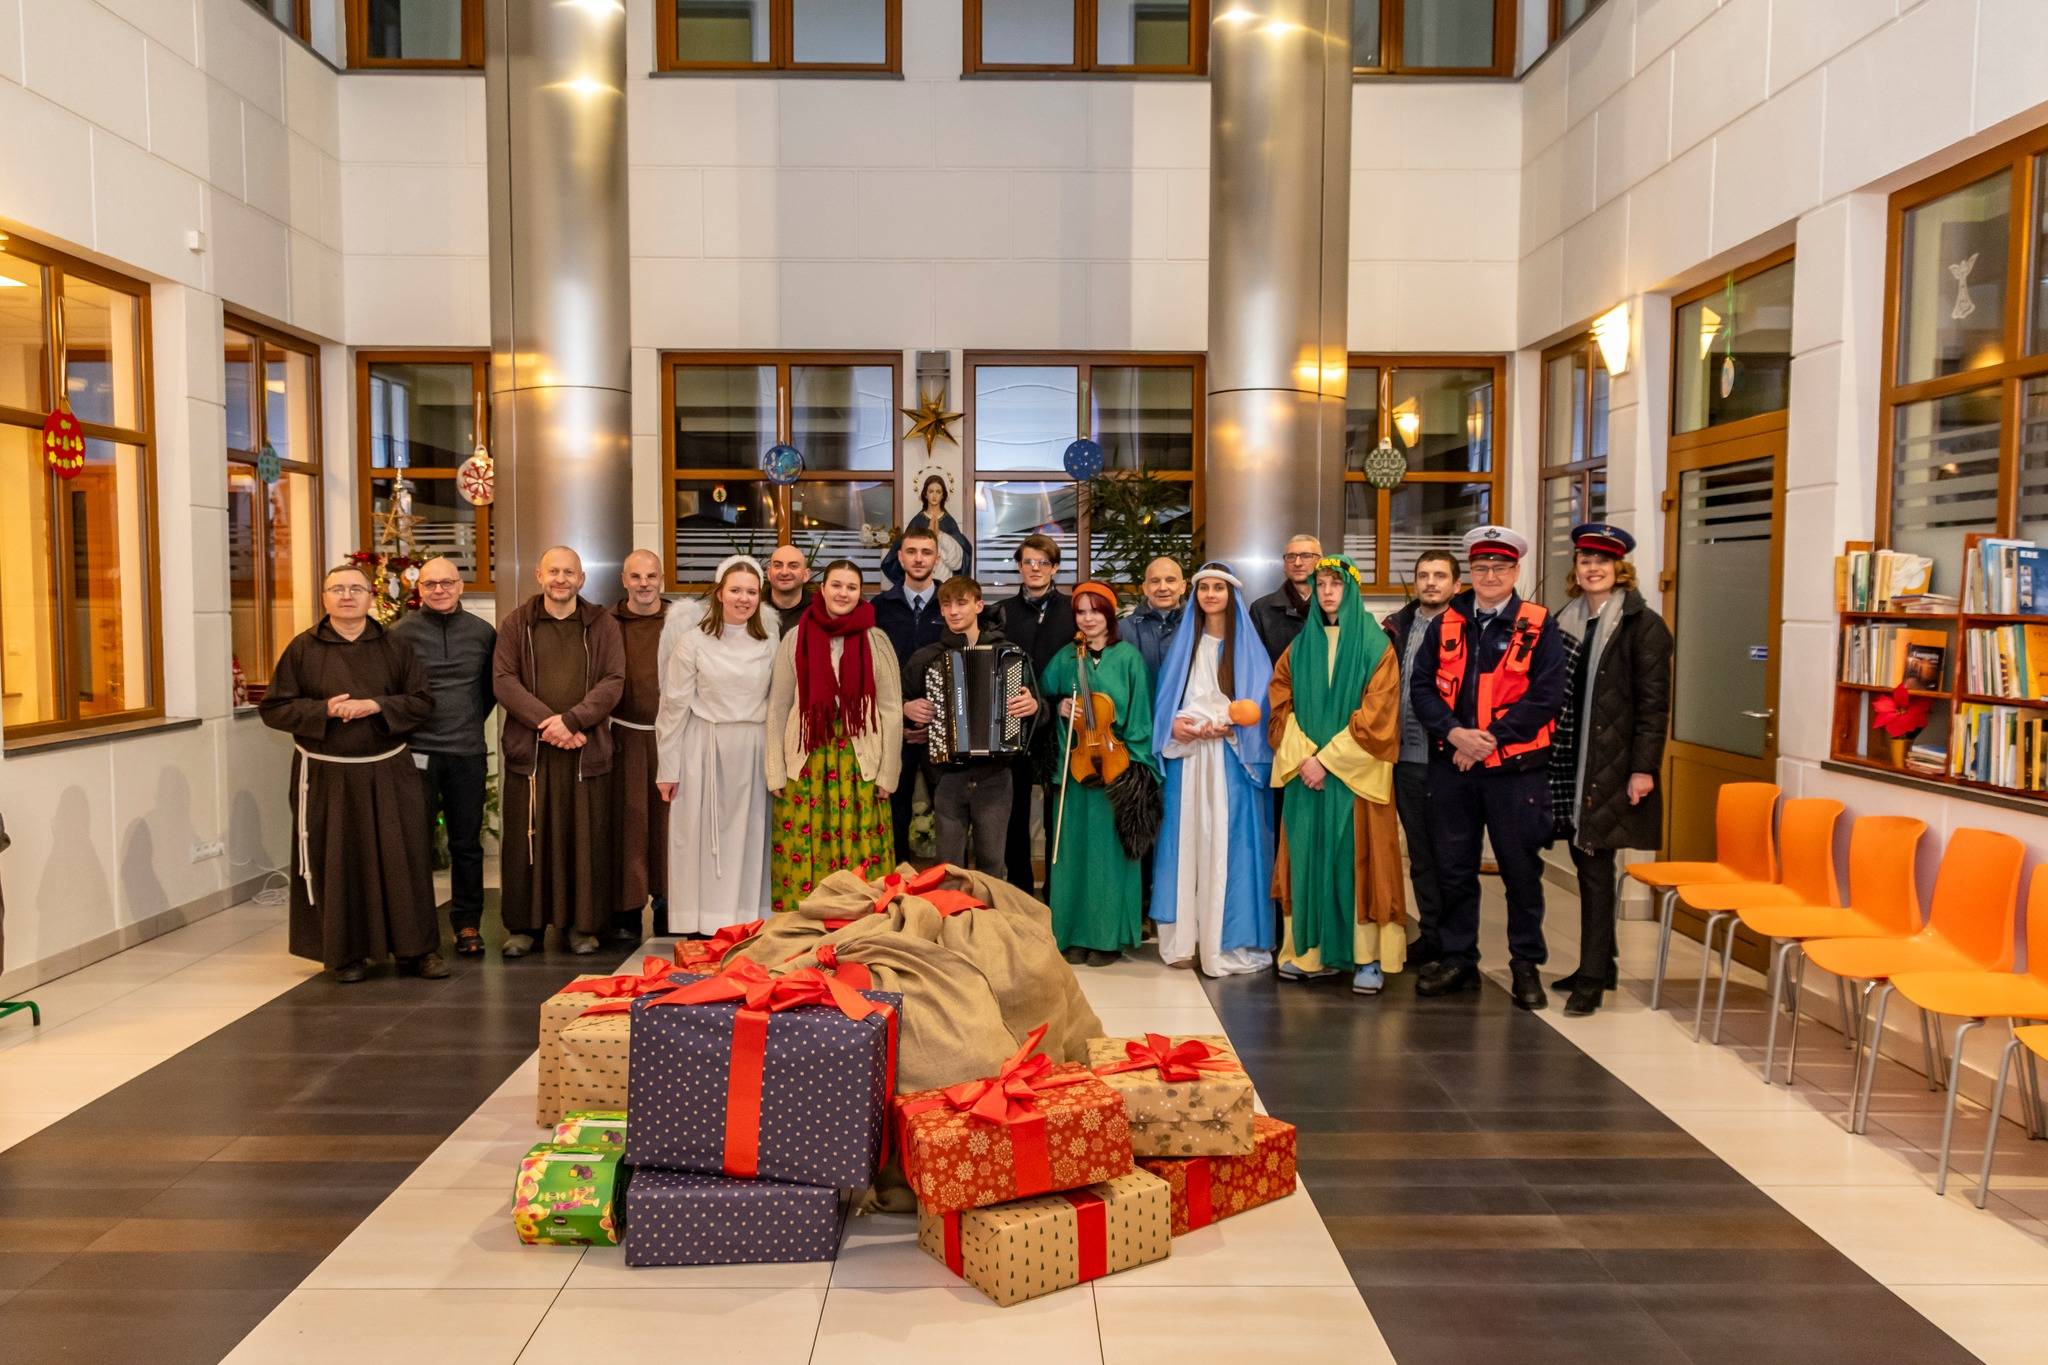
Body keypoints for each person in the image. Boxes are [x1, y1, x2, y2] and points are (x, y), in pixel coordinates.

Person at [260, 564, 447, 983]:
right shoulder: (302, 649)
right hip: (327, 776)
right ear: (324, 597)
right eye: (338, 589)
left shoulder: (395, 646)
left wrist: (376, 705)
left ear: (370, 597)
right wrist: (323, 710)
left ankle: (417, 951)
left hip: (389, 772)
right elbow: (274, 709)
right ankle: (346, 954)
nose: (347, 596)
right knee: (338, 861)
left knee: (403, 860)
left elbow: (422, 701)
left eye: (356, 589)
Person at [1411, 526, 1566, 1010]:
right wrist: (1455, 733)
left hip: (1516, 773)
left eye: (1500, 567)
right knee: (1454, 868)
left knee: (1520, 872)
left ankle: (1525, 965)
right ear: (1470, 575)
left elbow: (1546, 695)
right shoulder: (1446, 623)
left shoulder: (1538, 624)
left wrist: (1487, 740)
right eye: (1481, 568)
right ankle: (1459, 959)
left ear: (1516, 571)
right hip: (1453, 769)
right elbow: (1421, 689)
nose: (1491, 576)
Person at [1547, 524, 1671, 1016]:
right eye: (1585, 560)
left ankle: (1593, 978)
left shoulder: (1643, 626)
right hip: (1572, 761)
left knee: (1595, 866)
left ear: (1620, 568)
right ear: (1576, 569)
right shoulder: (1566, 619)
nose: (1593, 568)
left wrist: (1643, 769)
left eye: (1602, 560)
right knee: (1587, 863)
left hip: (1613, 766)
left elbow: (1654, 706)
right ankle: (1604, 964)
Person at [1269, 555, 1406, 994]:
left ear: (1352, 589)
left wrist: (1327, 761)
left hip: (1354, 777)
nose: (1327, 592)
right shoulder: (1299, 647)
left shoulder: (1375, 646)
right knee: (1307, 857)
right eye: (1321, 584)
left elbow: (1379, 713)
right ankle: (1308, 953)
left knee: (1359, 860)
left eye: (1336, 584)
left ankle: (1367, 956)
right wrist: (1306, 759)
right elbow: (1280, 703)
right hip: (1306, 776)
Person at [493, 546, 626, 957]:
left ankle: (581, 926)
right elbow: (504, 680)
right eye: (554, 571)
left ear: (581, 579)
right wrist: (550, 724)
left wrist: (573, 721)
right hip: (532, 754)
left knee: (582, 841)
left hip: (585, 753)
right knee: (528, 842)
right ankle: (525, 928)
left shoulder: (601, 624)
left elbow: (613, 680)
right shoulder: (517, 623)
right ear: (539, 575)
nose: (561, 579)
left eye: (569, 572)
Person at [1149, 563, 1276, 977]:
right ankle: (1185, 938)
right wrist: (1175, 726)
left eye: (1219, 588)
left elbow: (1261, 706)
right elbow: (1165, 704)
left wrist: (1230, 726)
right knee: (1185, 843)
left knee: (1229, 844)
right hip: (1189, 761)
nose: (1210, 595)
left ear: (1230, 594)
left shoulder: (1249, 649)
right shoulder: (1184, 647)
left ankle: (1229, 940)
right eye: (1204, 588)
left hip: (1231, 761)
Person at [766, 559, 903, 910]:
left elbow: (891, 711)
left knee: (862, 857)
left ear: (860, 593)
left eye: (851, 587)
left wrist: (888, 773)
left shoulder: (876, 640)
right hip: (808, 760)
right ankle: (805, 924)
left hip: (861, 763)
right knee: (805, 849)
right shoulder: (796, 638)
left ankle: (860, 923)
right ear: (822, 589)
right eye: (837, 585)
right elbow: (778, 707)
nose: (843, 593)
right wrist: (775, 770)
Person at [657, 555, 779, 934]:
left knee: (748, 838)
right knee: (700, 841)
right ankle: (702, 923)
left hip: (753, 749)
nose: (744, 598)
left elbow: (778, 703)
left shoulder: (770, 641)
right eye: (736, 590)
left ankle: (746, 920)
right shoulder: (692, 642)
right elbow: (673, 707)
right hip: (704, 749)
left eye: (751, 592)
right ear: (720, 593)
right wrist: (668, 768)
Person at [1042, 581, 1158, 966]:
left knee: (1109, 859)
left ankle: (1108, 938)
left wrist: (1131, 766)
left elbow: (1141, 717)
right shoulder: (1066, 657)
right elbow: (1042, 698)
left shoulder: (1128, 658)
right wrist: (1059, 707)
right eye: (1081, 611)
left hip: (1116, 769)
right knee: (1071, 855)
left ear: (1109, 615)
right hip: (1076, 771)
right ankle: (1072, 934)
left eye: (1095, 610)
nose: (1088, 618)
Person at [390, 557, 496, 958]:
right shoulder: (400, 634)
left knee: (466, 844)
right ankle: (415, 928)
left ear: (460, 586)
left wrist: (466, 721)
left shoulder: (482, 633)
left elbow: (489, 691)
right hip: (416, 755)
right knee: (414, 844)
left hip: (467, 752)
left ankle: (467, 924)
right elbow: (394, 692)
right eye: (430, 584)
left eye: (446, 583)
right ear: (419, 589)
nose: (439, 590)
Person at [902, 576, 1042, 878]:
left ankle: (988, 911)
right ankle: (952, 910)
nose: (954, 611)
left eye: (961, 603)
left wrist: (1033, 706)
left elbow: (1038, 709)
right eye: (947, 604)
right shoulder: (927, 658)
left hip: (996, 774)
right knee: (948, 865)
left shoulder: (1009, 653)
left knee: (992, 862)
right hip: (946, 775)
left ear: (979, 605)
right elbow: (898, 702)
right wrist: (906, 708)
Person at [1380, 550, 1460, 970]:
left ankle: (1456, 946)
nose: (1431, 582)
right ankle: (1431, 935)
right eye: (1424, 575)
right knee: (1421, 855)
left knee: (1452, 856)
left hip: (1450, 761)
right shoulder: (1398, 627)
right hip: (1405, 759)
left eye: (1440, 576)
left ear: (1456, 585)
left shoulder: (1467, 628)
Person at [995, 534, 1076, 896]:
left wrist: (1051, 703)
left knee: (1056, 814)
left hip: (1058, 723)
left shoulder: (1073, 611)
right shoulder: (1001, 612)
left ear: (1055, 568)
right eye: (1028, 562)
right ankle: (1020, 892)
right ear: (1019, 566)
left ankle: (1057, 894)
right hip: (1012, 723)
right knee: (1013, 815)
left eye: (1043, 563)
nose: (1035, 569)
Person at [873, 527, 947, 865]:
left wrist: (934, 720)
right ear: (900, 558)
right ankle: (896, 882)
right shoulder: (879, 608)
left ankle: (947, 885)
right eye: (912, 552)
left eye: (926, 552)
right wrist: (901, 711)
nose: (919, 559)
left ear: (937, 558)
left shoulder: (952, 604)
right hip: (892, 727)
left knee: (949, 814)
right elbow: (870, 668)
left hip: (943, 730)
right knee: (894, 810)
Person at [610, 549, 671, 945]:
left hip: (671, 736)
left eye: (651, 576)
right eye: (636, 576)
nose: (644, 584)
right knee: (629, 822)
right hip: (626, 735)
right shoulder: (607, 623)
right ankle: (627, 909)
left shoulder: (681, 621)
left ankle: (668, 903)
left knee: (668, 825)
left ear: (661, 579)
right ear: (624, 581)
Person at [882, 473, 973, 586]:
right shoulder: (918, 521)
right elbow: (905, 551)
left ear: (943, 495)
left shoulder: (949, 522)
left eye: (938, 492)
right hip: (920, 581)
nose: (934, 495)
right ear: (925, 494)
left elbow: (957, 562)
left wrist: (940, 536)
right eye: (931, 491)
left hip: (944, 580)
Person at [1250, 534, 1323, 662]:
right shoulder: (1261, 610)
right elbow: (1255, 662)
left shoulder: (1334, 607)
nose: (1297, 563)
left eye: (1306, 556)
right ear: (1284, 566)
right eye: (1291, 557)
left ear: (1321, 562)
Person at [1124, 556, 1187, 684]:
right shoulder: (1124, 629)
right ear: (1145, 588)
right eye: (1155, 581)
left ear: (1183, 586)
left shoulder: (1199, 625)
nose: (1162, 587)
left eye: (1170, 580)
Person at [764, 543, 812, 636]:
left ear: (806, 575)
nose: (784, 572)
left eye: (793, 566)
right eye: (778, 565)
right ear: (769, 573)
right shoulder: (754, 607)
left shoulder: (819, 610)